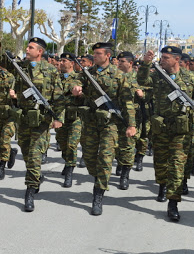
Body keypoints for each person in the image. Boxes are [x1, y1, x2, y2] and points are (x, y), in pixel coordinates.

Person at [137, 47, 194, 222]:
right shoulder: (157, 75)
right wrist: (146, 62)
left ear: (176, 59)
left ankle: (173, 203)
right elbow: (141, 79)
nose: (162, 60)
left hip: (181, 129)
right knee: (161, 162)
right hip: (161, 127)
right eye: (161, 57)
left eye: (165, 58)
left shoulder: (189, 78)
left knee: (177, 165)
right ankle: (163, 185)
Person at [0, 32, 64, 212]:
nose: (27, 49)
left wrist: (58, 118)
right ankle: (36, 177)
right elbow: (4, 61)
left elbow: (59, 96)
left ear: (39, 52)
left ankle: (30, 191)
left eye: (30, 47)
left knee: (34, 156)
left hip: (42, 121)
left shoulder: (51, 71)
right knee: (25, 150)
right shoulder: (21, 67)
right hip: (23, 119)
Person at [72, 43, 136, 215]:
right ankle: (98, 178)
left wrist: (131, 124)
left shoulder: (118, 76)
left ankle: (98, 194)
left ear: (107, 55)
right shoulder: (87, 73)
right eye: (94, 53)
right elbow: (76, 80)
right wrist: (76, 88)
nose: (95, 56)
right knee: (90, 158)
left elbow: (127, 102)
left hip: (111, 124)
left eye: (98, 53)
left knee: (106, 158)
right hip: (91, 122)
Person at [114, 51, 142, 190]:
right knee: (115, 145)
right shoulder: (115, 76)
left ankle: (125, 174)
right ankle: (119, 162)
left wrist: (142, 94)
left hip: (130, 116)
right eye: (118, 61)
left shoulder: (138, 78)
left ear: (130, 63)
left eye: (122, 61)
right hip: (114, 115)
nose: (119, 64)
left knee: (128, 146)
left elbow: (149, 92)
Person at [55, 52, 82, 188]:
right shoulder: (56, 78)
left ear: (72, 63)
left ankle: (70, 171)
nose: (61, 63)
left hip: (74, 118)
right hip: (60, 117)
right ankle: (67, 161)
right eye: (60, 60)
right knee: (62, 143)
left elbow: (76, 87)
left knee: (72, 144)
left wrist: (78, 91)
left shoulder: (79, 77)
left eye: (64, 60)